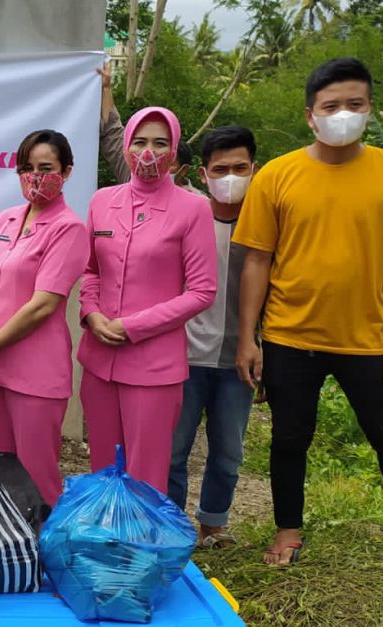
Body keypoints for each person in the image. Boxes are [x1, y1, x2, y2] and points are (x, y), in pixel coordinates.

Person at [234, 57, 383, 566]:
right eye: (331, 106)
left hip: (369, 336)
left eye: (354, 104)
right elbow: (257, 261)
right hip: (289, 333)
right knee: (288, 437)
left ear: (370, 108)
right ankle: (287, 530)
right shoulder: (278, 176)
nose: (342, 114)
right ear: (311, 115)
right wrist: (248, 338)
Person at [78, 106, 218, 493]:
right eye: (139, 142)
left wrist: (134, 326)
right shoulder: (102, 201)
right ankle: (101, 545)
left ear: (174, 152)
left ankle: (139, 550)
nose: (148, 152)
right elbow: (89, 271)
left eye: (160, 143)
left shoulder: (194, 209)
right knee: (103, 467)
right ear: (125, 147)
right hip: (99, 358)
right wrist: (91, 314)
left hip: (154, 365)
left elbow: (202, 290)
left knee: (145, 473)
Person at [0, 130, 88, 506]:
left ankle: (43, 554)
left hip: (34, 372)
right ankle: (4, 551)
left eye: (46, 168)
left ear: (67, 172)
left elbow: (43, 304)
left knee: (35, 474)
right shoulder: (7, 220)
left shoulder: (70, 229)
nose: (35, 176)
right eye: (27, 168)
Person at [168, 126, 259, 547]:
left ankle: (213, 525)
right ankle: (169, 528)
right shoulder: (188, 218)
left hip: (237, 360)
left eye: (240, 168)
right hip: (182, 357)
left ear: (254, 169)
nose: (230, 176)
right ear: (202, 174)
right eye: (220, 169)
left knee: (228, 452)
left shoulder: (265, 227)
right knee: (173, 452)